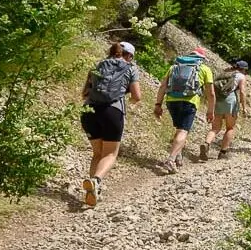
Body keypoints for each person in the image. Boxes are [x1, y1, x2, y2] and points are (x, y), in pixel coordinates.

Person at [79, 40, 143, 208]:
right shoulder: (130, 68)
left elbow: (85, 92)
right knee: (110, 154)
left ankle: (93, 191)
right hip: (112, 112)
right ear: (129, 56)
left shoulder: (98, 65)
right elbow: (137, 96)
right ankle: (96, 181)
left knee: (97, 153)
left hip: (89, 112)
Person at [153, 47, 214, 174]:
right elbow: (211, 93)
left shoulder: (174, 67)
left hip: (171, 101)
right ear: (202, 58)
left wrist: (158, 104)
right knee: (183, 131)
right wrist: (210, 110)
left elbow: (163, 85)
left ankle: (178, 157)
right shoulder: (204, 68)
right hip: (189, 101)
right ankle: (170, 160)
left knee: (179, 128)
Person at [208, 58, 248, 159]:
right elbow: (242, 92)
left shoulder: (224, 73)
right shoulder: (241, 76)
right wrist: (244, 107)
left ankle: (206, 143)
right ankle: (223, 152)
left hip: (217, 100)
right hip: (230, 101)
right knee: (230, 127)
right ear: (244, 69)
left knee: (215, 128)